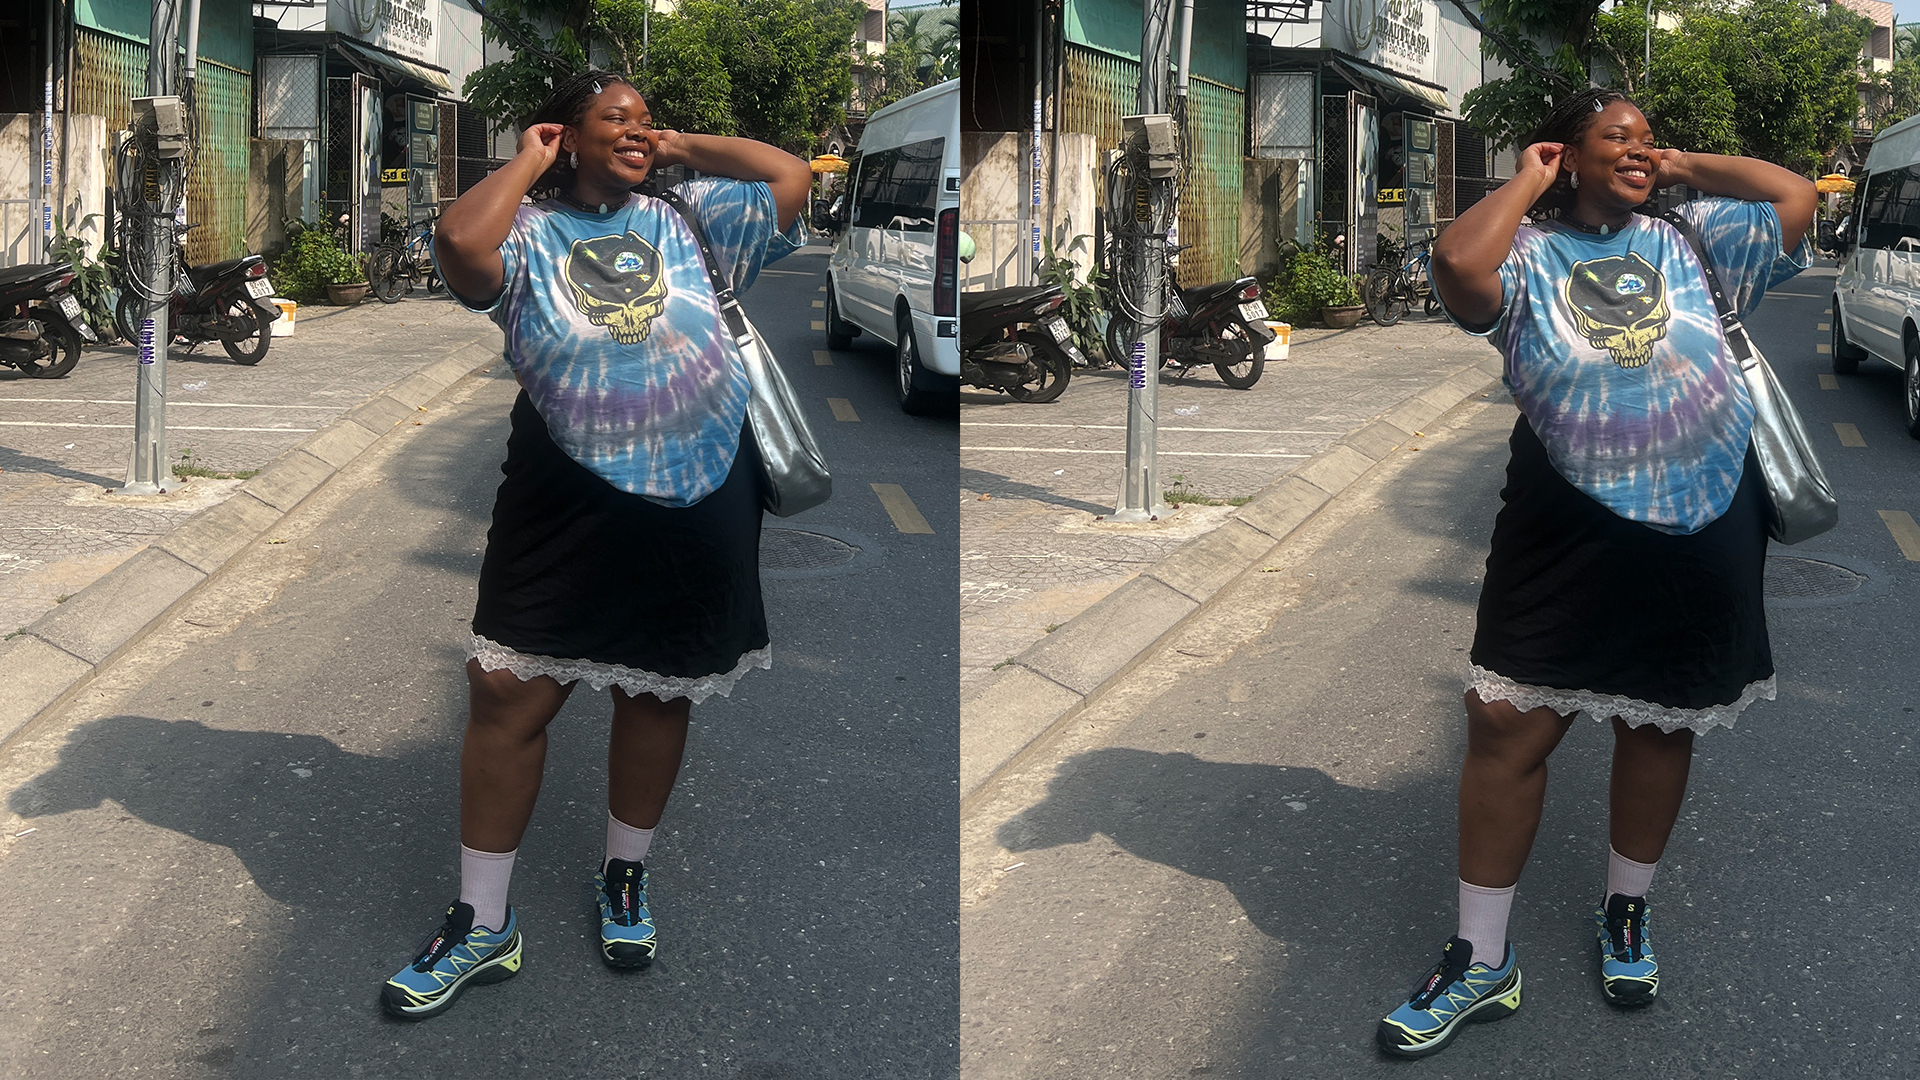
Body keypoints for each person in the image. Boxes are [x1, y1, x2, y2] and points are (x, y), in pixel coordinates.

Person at [1375, 88, 1815, 1056]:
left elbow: (1793, 196)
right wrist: (1528, 180)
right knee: (1505, 721)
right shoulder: (1528, 253)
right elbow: (1457, 266)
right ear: (1566, 153)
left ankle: (1626, 912)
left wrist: (1683, 166)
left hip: (1705, 513)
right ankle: (1480, 958)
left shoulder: (1694, 237)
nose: (1640, 149)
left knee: (1659, 719)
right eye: (1617, 138)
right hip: (1563, 521)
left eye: (1648, 138)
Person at [379, 70, 810, 1020]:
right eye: (615, 119)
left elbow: (788, 176)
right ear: (566, 135)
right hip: (562, 492)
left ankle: (624, 876)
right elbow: (459, 243)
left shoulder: (691, 217)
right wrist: (529, 160)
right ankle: (482, 922)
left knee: (656, 686)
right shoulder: (528, 232)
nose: (638, 130)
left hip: (702, 485)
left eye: (646, 119)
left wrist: (679, 147)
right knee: (506, 689)